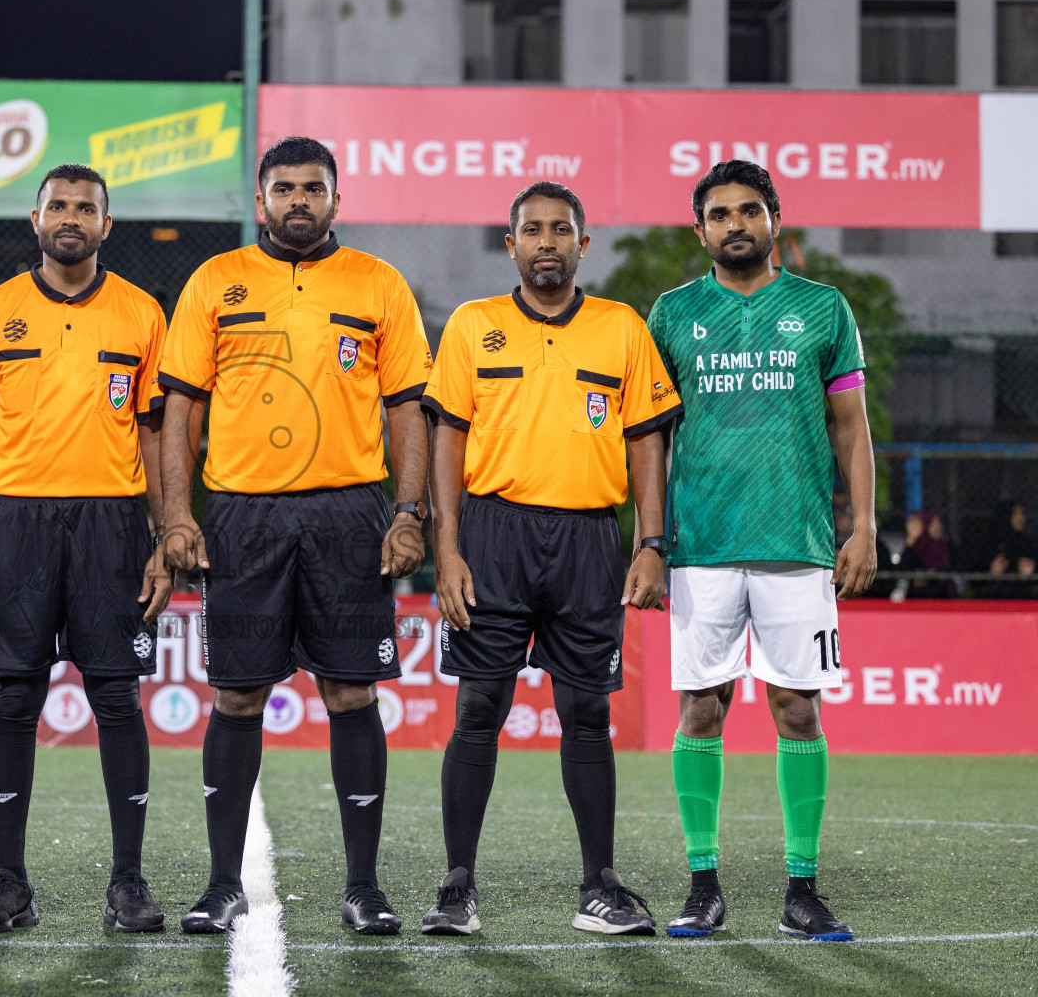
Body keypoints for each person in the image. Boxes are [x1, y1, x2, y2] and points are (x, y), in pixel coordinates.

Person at [159, 137, 431, 935]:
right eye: (284, 188)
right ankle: (220, 884)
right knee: (237, 693)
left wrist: (408, 514)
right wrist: (178, 514)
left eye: (314, 188)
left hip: (351, 513)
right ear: (260, 201)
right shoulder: (215, 280)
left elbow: (408, 408)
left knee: (352, 691)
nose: (299, 201)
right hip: (243, 515)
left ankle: (364, 887)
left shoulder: (379, 284)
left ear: (337, 201)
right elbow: (181, 409)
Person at [419, 182, 681, 938]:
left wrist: (651, 544)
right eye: (531, 230)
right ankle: (457, 885)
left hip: (589, 540)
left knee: (587, 715)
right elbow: (448, 440)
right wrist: (447, 548)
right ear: (511, 244)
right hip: (492, 537)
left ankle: (599, 885)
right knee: (478, 711)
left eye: (560, 230)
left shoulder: (621, 328)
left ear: (582, 245)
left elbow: (646, 441)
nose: (545, 242)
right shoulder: (473, 326)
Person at [647, 160, 875, 942]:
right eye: (719, 213)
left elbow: (852, 425)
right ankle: (702, 886)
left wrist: (864, 525)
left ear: (775, 218)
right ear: (701, 227)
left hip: (799, 541)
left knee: (796, 709)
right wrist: (649, 542)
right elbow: (650, 439)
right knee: (701, 709)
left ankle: (801, 890)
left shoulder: (822, 307)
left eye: (750, 210)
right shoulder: (674, 313)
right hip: (702, 545)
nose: (735, 224)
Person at [0, 164, 172, 934]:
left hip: (112, 524)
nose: (71, 218)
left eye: (86, 208)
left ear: (108, 225)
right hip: (15, 523)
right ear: (33, 219)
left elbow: (152, 431)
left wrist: (166, 535)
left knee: (115, 697)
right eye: (58, 206)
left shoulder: (142, 315)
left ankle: (128, 883)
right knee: (14, 698)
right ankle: (10, 883)